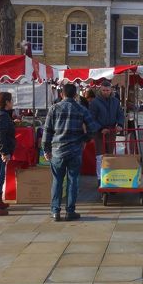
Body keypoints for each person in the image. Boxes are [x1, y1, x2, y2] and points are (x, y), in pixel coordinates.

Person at [42, 83, 100, 221]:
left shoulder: (54, 109)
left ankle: (55, 211)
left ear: (61, 94)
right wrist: (84, 139)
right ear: (75, 95)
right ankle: (70, 211)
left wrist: (46, 149)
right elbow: (93, 128)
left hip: (57, 150)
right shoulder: (81, 109)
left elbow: (47, 131)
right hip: (75, 150)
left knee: (57, 181)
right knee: (73, 181)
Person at [89, 80, 125, 181]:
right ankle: (100, 179)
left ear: (111, 90)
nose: (105, 92)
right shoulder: (94, 102)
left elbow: (120, 114)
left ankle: (110, 177)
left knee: (110, 154)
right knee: (100, 156)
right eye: (103, 90)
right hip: (99, 132)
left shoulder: (116, 101)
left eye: (107, 90)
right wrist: (100, 128)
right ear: (100, 90)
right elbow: (91, 118)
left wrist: (120, 124)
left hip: (111, 130)